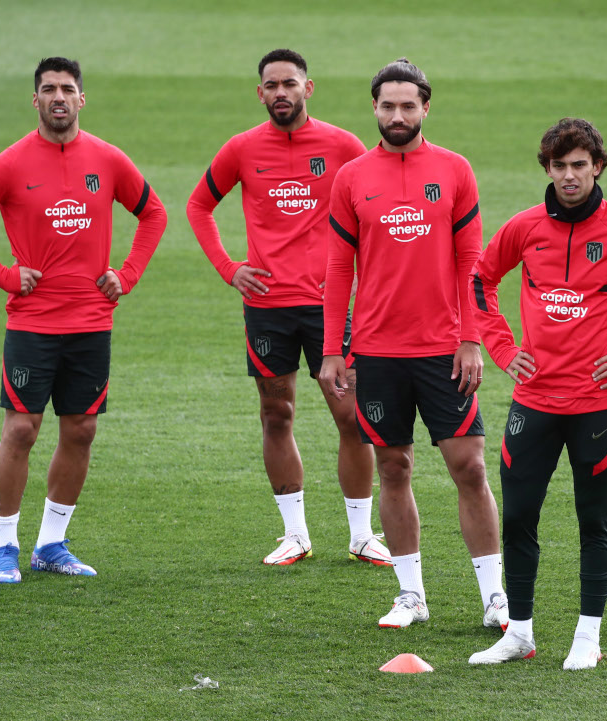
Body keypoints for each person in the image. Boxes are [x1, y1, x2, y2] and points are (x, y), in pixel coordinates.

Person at [467, 118, 607, 668]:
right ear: (547, 168)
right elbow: (479, 280)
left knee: (594, 521)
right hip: (533, 403)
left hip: (597, 408)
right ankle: (518, 633)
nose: (569, 176)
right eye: (559, 166)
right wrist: (501, 349)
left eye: (579, 166)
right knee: (519, 517)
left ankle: (587, 639)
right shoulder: (524, 228)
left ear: (597, 167)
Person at [0, 57, 167, 584]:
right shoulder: (12, 163)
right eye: (48, 90)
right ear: (35, 100)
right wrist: (4, 274)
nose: (58, 97)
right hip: (32, 324)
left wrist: (126, 275)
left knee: (80, 430)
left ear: (81, 99)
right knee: (21, 430)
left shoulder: (107, 159)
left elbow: (154, 212)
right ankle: (4, 547)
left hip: (91, 323)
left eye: (67, 89)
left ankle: (51, 544)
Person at [320, 58, 508, 629]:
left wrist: (470, 338)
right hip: (377, 351)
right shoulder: (351, 177)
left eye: (407, 105)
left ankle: (494, 597)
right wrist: (333, 350)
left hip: (443, 349)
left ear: (426, 107)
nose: (396, 115)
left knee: (469, 468)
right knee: (393, 466)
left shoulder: (454, 170)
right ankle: (410, 596)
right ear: (374, 109)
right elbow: (336, 268)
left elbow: (469, 263)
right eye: (386, 105)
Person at [186, 49, 390, 567]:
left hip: (332, 306)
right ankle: (295, 534)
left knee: (351, 417)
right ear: (260, 93)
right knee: (277, 413)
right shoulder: (242, 149)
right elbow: (199, 205)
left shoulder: (343, 144)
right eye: (271, 85)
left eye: (290, 84)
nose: (281, 93)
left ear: (308, 88)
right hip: (268, 308)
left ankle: (361, 535)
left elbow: (380, 200)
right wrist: (229, 268)